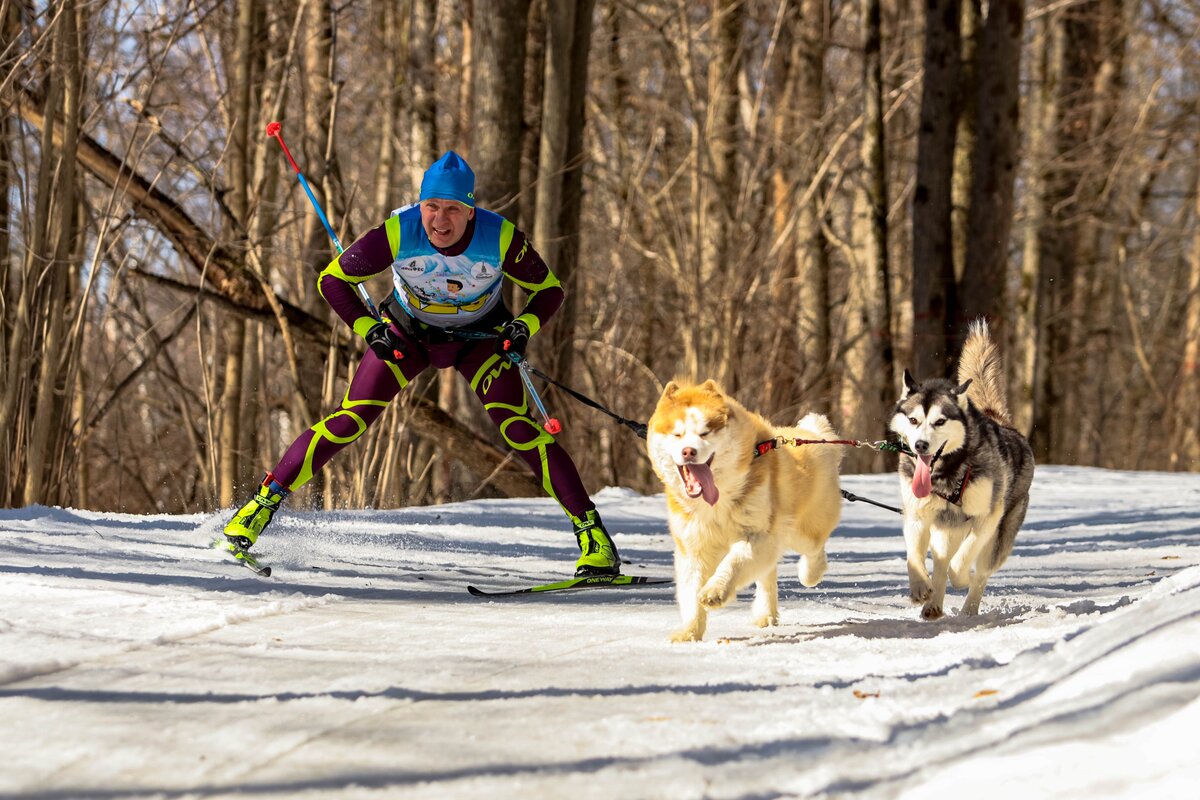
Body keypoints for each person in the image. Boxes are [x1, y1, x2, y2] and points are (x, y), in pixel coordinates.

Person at [223, 151, 620, 577]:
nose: (440, 221)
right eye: (432, 207)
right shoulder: (399, 230)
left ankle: (594, 537)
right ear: (420, 205)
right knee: (351, 418)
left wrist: (522, 327)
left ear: (471, 211)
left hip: (481, 341)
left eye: (453, 209)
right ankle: (257, 511)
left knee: (519, 428)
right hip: (407, 335)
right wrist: (367, 328)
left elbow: (550, 290)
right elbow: (333, 280)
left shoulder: (500, 236)